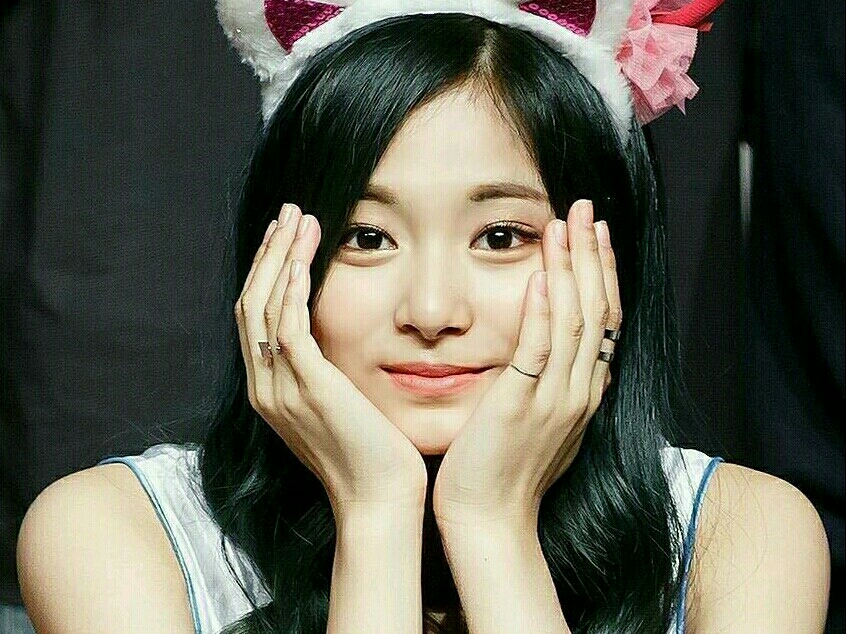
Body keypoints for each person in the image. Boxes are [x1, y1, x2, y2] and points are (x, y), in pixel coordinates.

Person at [15, 1, 831, 633]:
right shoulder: (117, 534)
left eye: (501, 237)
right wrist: (374, 512)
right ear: (274, 259)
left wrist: (492, 523)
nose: (432, 312)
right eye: (367, 237)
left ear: (608, 259)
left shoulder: (740, 537)